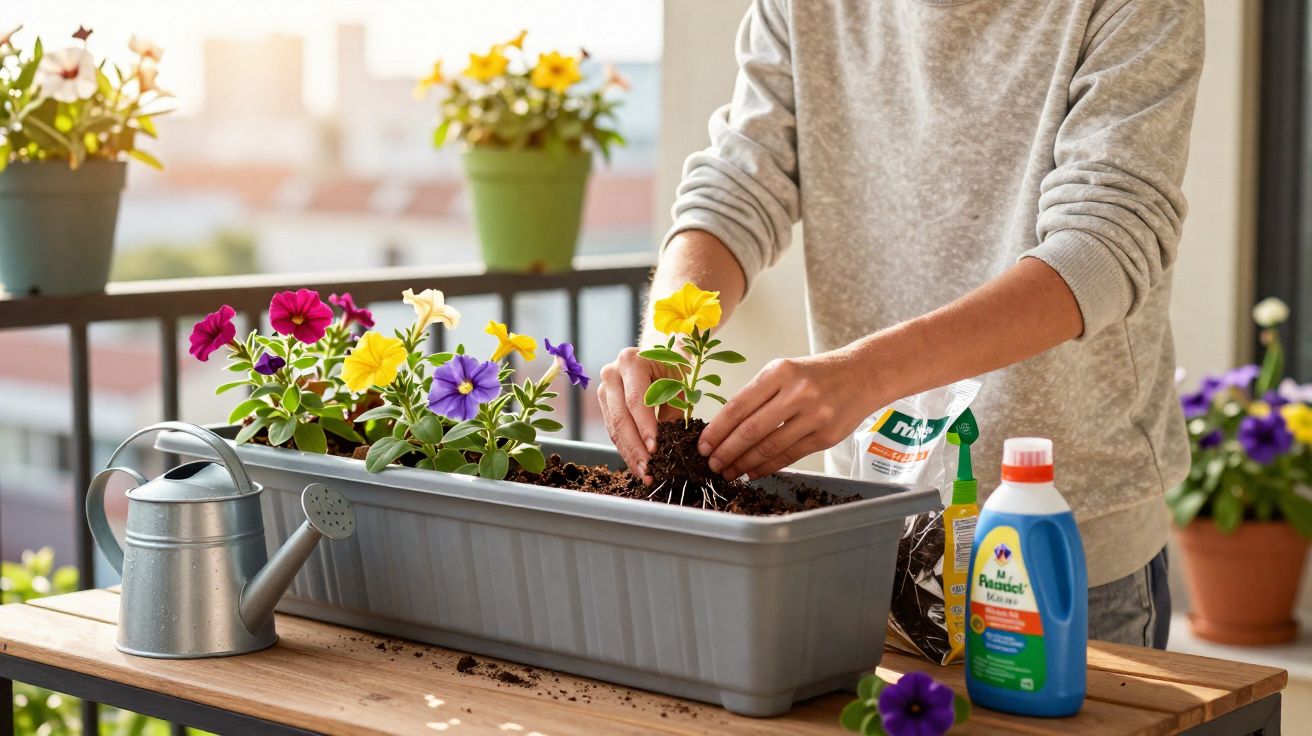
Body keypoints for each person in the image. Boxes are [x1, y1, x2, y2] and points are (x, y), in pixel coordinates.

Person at [598, 0, 1204, 650]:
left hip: (1061, 545)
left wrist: (867, 374)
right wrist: (668, 347)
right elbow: (739, 184)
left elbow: (1103, 245)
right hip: (866, 535)